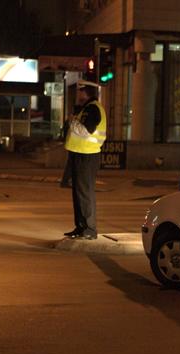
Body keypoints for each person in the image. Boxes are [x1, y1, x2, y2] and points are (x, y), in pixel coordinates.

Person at [63, 80, 107, 240]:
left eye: (79, 91)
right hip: (80, 154)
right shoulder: (87, 108)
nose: (77, 94)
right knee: (78, 193)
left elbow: (86, 131)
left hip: (87, 156)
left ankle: (89, 229)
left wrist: (72, 121)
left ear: (85, 92)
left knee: (85, 194)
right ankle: (80, 227)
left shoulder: (94, 108)